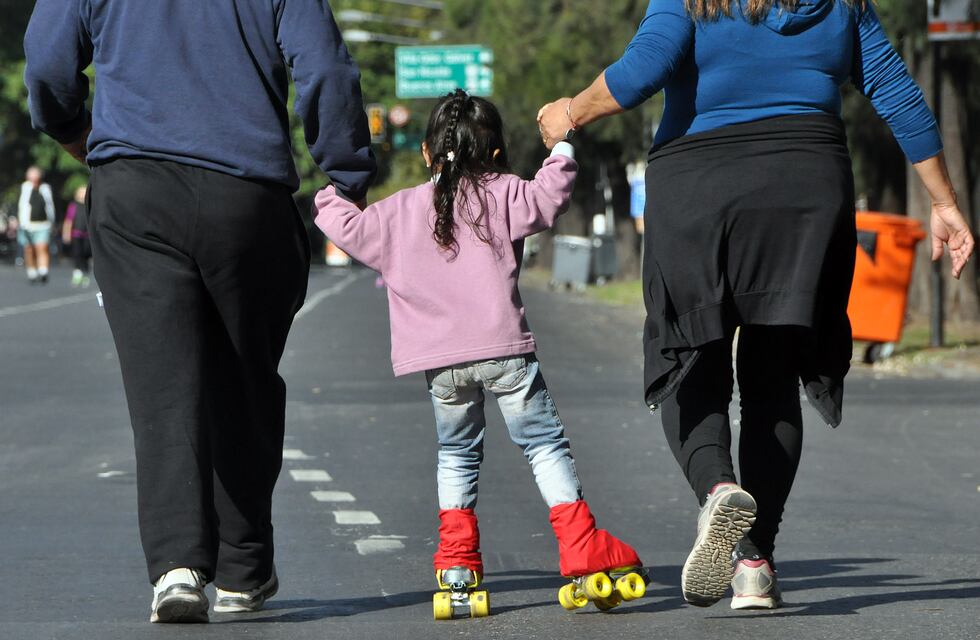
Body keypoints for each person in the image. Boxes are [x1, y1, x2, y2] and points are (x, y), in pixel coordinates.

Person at [537, 0, 974, 611]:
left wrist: (568, 112)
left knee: (692, 359)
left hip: (699, 190)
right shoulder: (844, 5)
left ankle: (719, 490)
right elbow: (898, 94)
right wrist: (945, 203)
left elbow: (640, 73)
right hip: (806, 191)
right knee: (774, 380)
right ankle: (753, 564)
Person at [24, 0, 376, 624]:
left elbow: (48, 65)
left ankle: (178, 569)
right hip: (248, 195)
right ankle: (244, 567)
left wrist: (74, 131)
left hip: (135, 190)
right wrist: (345, 176)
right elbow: (325, 68)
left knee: (163, 389)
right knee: (245, 381)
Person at [314, 90, 645, 611]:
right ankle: (581, 545)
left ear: (427, 153)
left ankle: (457, 562)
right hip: (505, 354)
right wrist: (560, 148)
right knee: (543, 446)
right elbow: (549, 195)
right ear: (494, 154)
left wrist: (335, 190)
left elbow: (346, 226)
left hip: (440, 367)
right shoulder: (506, 192)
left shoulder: (400, 210)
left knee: (457, 453)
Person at [17, 166, 56, 284]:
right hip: (27, 225)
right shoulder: (24, 188)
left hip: (43, 224)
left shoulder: (45, 188)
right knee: (29, 249)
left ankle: (43, 270)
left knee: (42, 247)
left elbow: (50, 206)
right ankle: (32, 270)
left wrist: (52, 222)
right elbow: (19, 205)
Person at [62, 185, 91, 287]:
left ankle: (85, 273)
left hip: (88, 235)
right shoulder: (73, 206)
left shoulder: (90, 205)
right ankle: (77, 273)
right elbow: (68, 221)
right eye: (81, 192)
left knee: (86, 254)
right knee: (77, 254)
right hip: (76, 234)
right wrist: (66, 233)